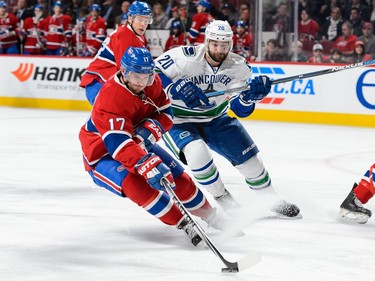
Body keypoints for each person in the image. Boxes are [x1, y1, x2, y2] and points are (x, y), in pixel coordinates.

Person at [79, 46, 225, 246]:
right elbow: (118, 146)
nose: (141, 82)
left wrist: (149, 132)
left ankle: (211, 215)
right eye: (136, 76)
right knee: (136, 185)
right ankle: (184, 223)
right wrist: (144, 162)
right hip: (102, 152)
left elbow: (166, 113)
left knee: (177, 177)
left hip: (135, 142)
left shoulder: (152, 82)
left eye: (146, 76)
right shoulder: (110, 99)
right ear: (124, 72)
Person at [155, 20, 300, 218]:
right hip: (179, 119)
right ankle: (222, 197)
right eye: (215, 44)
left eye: (224, 45)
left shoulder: (239, 66)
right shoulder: (184, 57)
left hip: (217, 118)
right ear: (206, 42)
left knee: (252, 163)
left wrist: (251, 97)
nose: (219, 49)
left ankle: (271, 199)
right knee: (197, 152)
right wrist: (173, 88)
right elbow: (152, 74)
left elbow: (240, 110)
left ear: (230, 44)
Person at [80, 1, 152, 105]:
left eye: (146, 20)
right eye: (140, 19)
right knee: (111, 116)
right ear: (130, 18)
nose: (143, 24)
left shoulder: (138, 36)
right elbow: (124, 70)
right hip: (98, 82)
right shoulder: (125, 36)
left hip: (104, 81)